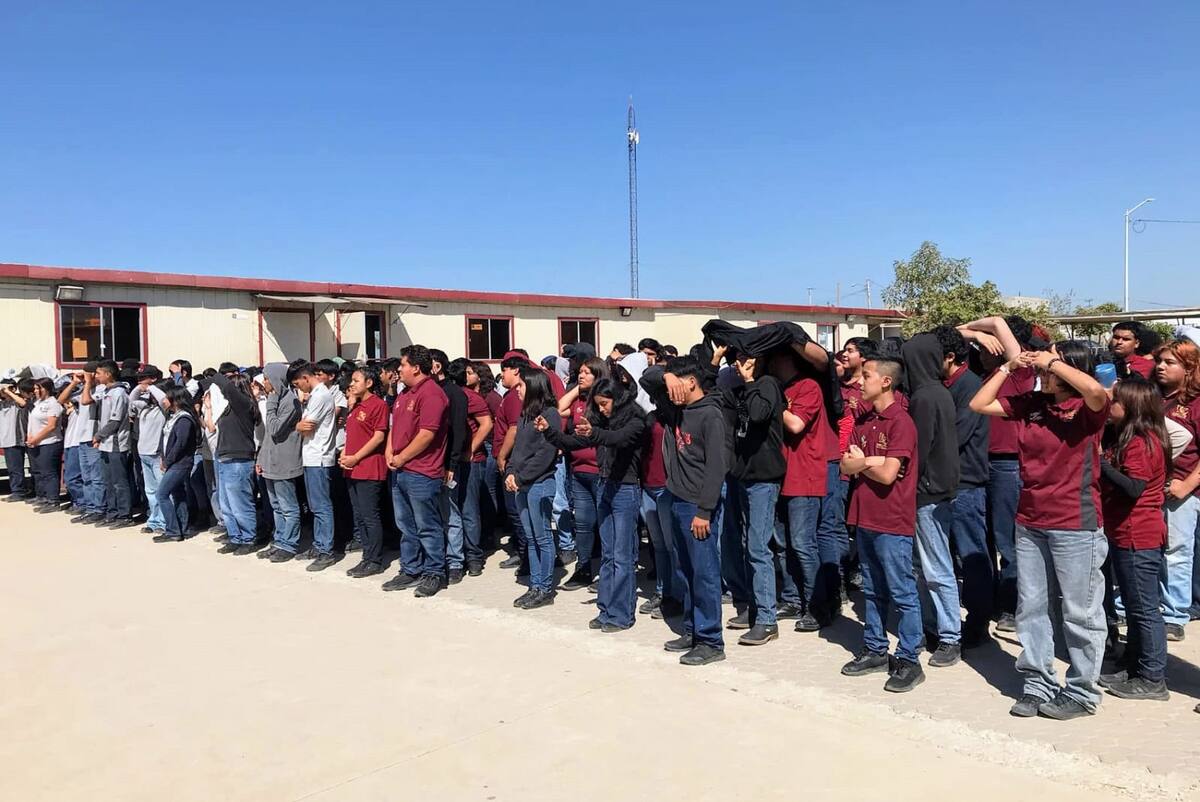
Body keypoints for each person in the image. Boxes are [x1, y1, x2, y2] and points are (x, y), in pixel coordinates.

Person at [971, 342, 1110, 720]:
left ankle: (1082, 691)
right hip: (1030, 518)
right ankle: (1038, 682)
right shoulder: (1032, 404)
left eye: (1051, 364)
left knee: (1079, 611)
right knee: (1031, 606)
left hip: (1075, 522)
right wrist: (1006, 368)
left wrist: (1052, 362)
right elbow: (980, 405)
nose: (1042, 370)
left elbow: (1096, 392)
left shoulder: (1086, 408)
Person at [839, 356, 925, 693]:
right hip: (864, 517)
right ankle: (875, 649)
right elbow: (846, 465)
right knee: (872, 590)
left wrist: (864, 463)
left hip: (892, 520)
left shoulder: (900, 422)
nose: (860, 382)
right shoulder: (865, 420)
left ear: (886, 382)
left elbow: (889, 475)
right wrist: (866, 463)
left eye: (867, 376)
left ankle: (908, 658)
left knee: (902, 591)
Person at [640, 355, 728, 667]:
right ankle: (692, 629)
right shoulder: (676, 409)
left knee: (704, 572)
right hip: (676, 499)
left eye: (678, 379)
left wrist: (704, 510)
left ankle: (711, 639)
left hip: (697, 505)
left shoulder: (711, 414)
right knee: (686, 570)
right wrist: (666, 377)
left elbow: (717, 467)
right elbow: (646, 377)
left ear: (691, 381)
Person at [539, 376, 647, 630]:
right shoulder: (601, 421)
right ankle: (606, 609)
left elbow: (618, 438)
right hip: (605, 486)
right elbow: (573, 442)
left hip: (626, 489)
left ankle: (621, 615)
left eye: (604, 403)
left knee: (622, 556)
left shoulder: (635, 420)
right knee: (608, 555)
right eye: (597, 404)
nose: (601, 409)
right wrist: (549, 432)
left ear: (617, 398)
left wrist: (595, 432)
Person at [959, 314, 1034, 632]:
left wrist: (983, 329)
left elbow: (999, 322)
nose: (981, 348)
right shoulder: (981, 374)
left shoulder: (1018, 372)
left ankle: (1011, 605)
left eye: (986, 343)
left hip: (1007, 464)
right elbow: (941, 339)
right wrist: (969, 333)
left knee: (1007, 539)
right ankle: (985, 599)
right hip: (978, 462)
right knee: (982, 537)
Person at [1098, 379, 1170, 701]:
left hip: (1137, 535)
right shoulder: (1129, 437)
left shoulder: (1141, 442)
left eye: (1114, 400)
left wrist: (1100, 464)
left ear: (1129, 406)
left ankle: (1153, 678)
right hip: (1128, 533)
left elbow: (1134, 487)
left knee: (1144, 609)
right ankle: (1136, 664)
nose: (1108, 404)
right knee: (1134, 605)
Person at [771, 342, 843, 633]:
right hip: (781, 472)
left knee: (803, 542)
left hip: (806, 471)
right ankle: (791, 597)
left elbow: (797, 424)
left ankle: (819, 605)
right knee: (782, 542)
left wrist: (772, 402)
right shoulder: (778, 387)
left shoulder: (808, 386)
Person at [901, 333, 962, 667]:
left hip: (928, 493)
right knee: (925, 566)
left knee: (935, 567)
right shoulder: (937, 392)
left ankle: (950, 635)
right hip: (936, 490)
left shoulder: (925, 397)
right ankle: (934, 627)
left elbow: (918, 450)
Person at [719, 347, 786, 647]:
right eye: (735, 362)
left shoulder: (767, 385)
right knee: (745, 544)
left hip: (763, 478)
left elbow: (758, 415)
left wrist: (747, 381)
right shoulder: (741, 390)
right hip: (743, 476)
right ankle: (755, 609)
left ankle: (767, 620)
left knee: (759, 548)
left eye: (743, 361)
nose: (737, 366)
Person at [933, 325, 994, 647]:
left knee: (971, 556)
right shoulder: (945, 384)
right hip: (948, 482)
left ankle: (979, 621)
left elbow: (955, 434)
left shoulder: (969, 386)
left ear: (950, 357)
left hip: (966, 482)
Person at [382, 345, 449, 598]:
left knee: (427, 525)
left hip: (422, 471)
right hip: (400, 469)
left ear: (416, 368)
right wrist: (390, 452)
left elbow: (427, 434)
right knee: (405, 524)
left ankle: (434, 572)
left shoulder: (431, 393)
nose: (399, 369)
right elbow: (394, 427)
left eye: (403, 365)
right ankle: (410, 568)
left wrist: (401, 457)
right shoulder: (404, 393)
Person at [1152, 339, 1200, 641]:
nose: (1160, 366)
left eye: (1170, 362)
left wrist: (1187, 485)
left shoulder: (1195, 403)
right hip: (1148, 486)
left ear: (1189, 368)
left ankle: (1174, 614)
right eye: (1160, 361)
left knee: (1177, 553)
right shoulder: (1152, 396)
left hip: (1179, 488)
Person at [505, 367, 561, 609]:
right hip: (522, 484)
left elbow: (545, 453)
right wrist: (510, 472)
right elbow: (518, 450)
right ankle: (535, 585)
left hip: (539, 484)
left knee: (542, 537)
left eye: (521, 386)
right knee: (530, 537)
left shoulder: (550, 414)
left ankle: (545, 588)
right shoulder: (526, 414)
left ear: (534, 386)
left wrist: (521, 477)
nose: (517, 389)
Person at [556, 356, 608, 590]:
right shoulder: (579, 401)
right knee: (584, 524)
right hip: (579, 470)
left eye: (587, 372)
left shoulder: (605, 401)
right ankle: (584, 568)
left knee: (606, 524)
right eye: (581, 372)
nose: (582, 374)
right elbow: (560, 408)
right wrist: (578, 388)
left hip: (601, 471)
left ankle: (608, 571)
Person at [340, 365, 390, 579]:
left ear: (369, 383)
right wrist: (344, 454)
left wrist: (356, 457)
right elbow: (351, 435)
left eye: (356, 380)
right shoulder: (356, 406)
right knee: (359, 516)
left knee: (370, 516)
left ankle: (375, 560)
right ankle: (366, 557)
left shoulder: (378, 405)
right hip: (351, 468)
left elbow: (378, 437)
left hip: (368, 467)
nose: (351, 384)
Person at [447, 358, 493, 577]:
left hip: (472, 461)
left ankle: (474, 555)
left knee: (469, 509)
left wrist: (471, 449)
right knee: (454, 509)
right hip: (453, 460)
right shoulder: (450, 393)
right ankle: (457, 556)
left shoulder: (470, 397)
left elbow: (487, 424)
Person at [292, 363, 340, 571]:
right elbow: (302, 425)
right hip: (311, 457)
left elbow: (306, 426)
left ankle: (326, 550)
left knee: (321, 506)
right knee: (315, 506)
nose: (299, 388)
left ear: (305, 378)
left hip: (319, 457)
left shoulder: (320, 396)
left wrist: (298, 425)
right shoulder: (315, 395)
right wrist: (299, 425)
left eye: (297, 383)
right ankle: (319, 544)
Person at [206, 368, 260, 553]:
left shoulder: (244, 405)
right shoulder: (226, 408)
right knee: (227, 504)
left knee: (240, 503)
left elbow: (227, 387)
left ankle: (248, 538)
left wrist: (216, 374)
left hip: (239, 459)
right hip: (224, 457)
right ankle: (235, 536)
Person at [254, 363, 304, 562]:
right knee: (275, 505)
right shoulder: (274, 400)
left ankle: (289, 544)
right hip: (270, 461)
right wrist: (261, 458)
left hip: (285, 462)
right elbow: (267, 437)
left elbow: (275, 428)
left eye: (267, 379)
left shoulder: (290, 402)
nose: (264, 383)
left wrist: (272, 400)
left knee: (288, 506)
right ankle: (279, 540)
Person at [430, 349, 470, 583]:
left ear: (438, 366)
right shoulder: (428, 391)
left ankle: (455, 560)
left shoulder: (454, 393)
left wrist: (452, 463)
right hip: (428, 464)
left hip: (448, 463)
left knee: (451, 512)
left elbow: (458, 430)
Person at [92, 360, 137, 528]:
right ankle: (112, 512)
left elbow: (115, 420)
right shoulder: (105, 392)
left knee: (119, 481)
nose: (96, 376)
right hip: (105, 443)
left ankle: (125, 515)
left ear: (108, 374)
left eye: (98, 373)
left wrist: (99, 435)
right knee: (108, 481)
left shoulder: (119, 393)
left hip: (116, 443)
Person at [153, 385, 200, 542]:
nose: (164, 400)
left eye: (167, 398)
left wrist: (168, 461)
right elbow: (166, 440)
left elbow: (180, 444)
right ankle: (182, 528)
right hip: (173, 462)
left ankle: (173, 530)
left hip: (181, 463)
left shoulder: (184, 419)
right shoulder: (172, 416)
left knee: (161, 494)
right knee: (178, 494)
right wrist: (163, 456)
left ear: (176, 400)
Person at [60, 366, 106, 522]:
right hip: (81, 439)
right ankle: (90, 507)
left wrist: (87, 382)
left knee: (96, 478)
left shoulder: (100, 390)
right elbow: (61, 400)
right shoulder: (82, 390)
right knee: (86, 477)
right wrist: (74, 383)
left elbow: (86, 401)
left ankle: (99, 508)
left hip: (93, 438)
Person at [129, 367, 169, 534]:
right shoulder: (144, 405)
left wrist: (152, 386)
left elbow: (164, 400)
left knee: (161, 490)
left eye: (145, 378)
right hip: (144, 452)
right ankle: (154, 519)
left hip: (157, 453)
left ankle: (165, 521)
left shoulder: (162, 408)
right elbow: (131, 400)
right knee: (150, 490)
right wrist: (140, 387)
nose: (141, 380)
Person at [25, 377, 64, 507]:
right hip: (36, 443)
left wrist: (36, 438)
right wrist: (30, 437)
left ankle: (53, 499)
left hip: (49, 442)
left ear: (46, 389)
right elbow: (32, 422)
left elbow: (51, 425)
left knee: (49, 472)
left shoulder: (53, 403)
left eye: (38, 388)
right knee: (39, 471)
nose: (35, 391)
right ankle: (42, 496)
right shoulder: (38, 403)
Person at [0, 378, 32, 501]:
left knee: (17, 468)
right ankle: (17, 490)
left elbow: (23, 404)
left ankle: (19, 491)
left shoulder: (17, 402)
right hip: (6, 440)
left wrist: (8, 391)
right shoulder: (2, 403)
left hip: (17, 439)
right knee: (12, 468)